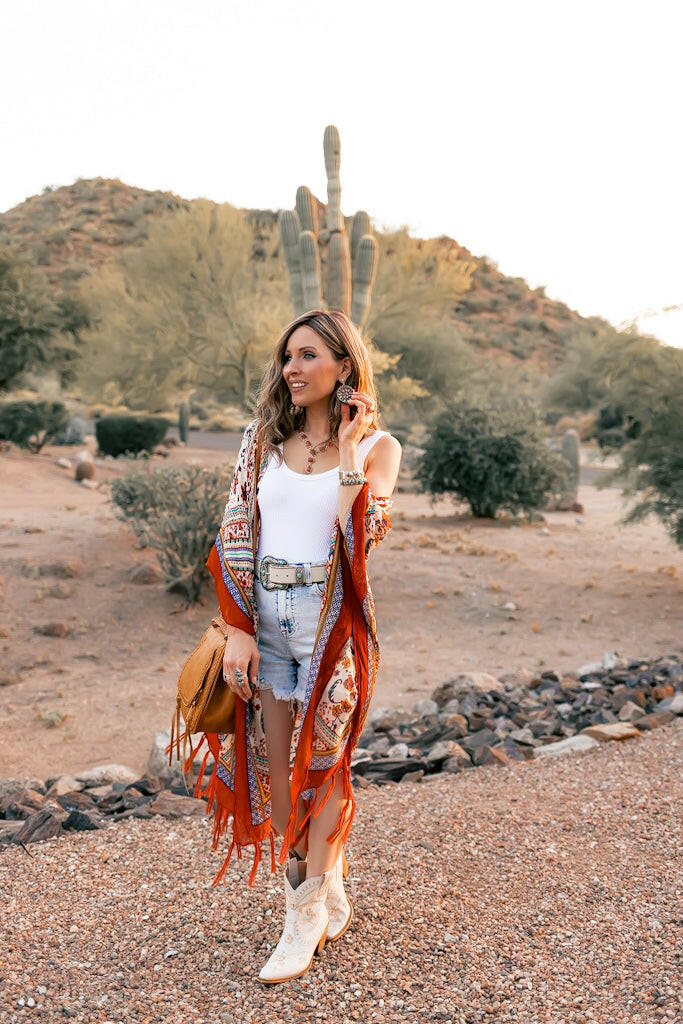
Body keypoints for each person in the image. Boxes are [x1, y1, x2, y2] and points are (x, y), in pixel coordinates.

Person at [196, 309, 401, 984]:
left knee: (325, 763)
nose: (292, 368)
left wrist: (348, 451)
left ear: (344, 366)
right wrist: (238, 630)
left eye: (308, 355)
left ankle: (301, 916)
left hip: (331, 623)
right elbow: (233, 530)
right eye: (288, 357)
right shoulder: (261, 440)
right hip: (265, 619)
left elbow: (361, 536)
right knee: (277, 771)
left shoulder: (379, 449)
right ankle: (318, 880)